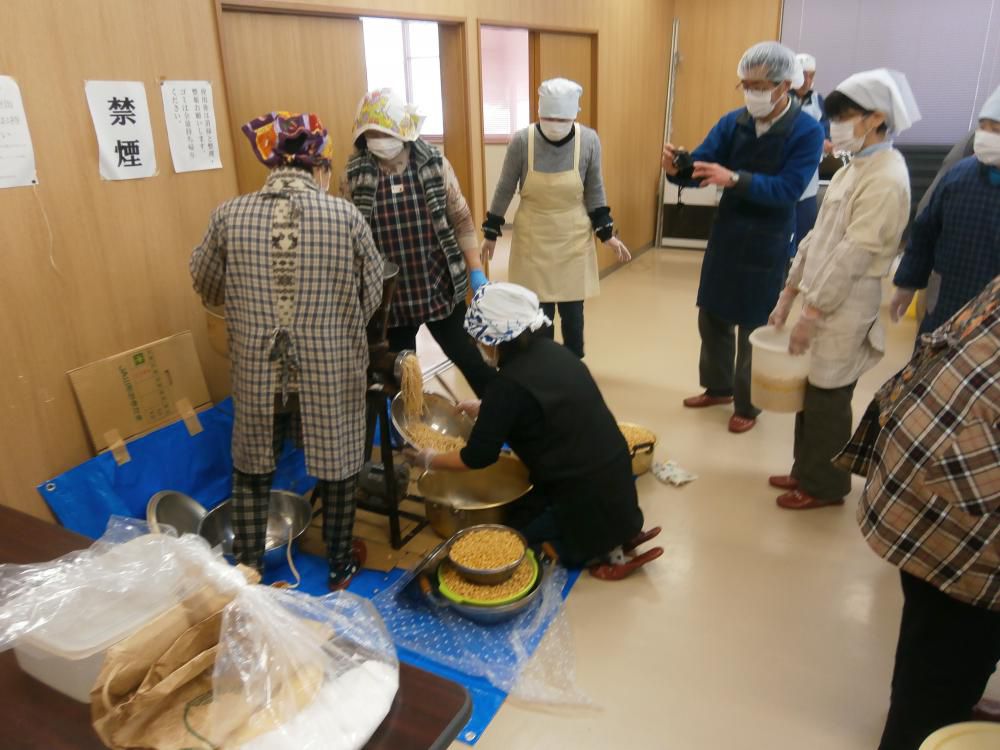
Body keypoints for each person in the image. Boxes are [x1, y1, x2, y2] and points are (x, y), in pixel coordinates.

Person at [190, 111, 384, 589]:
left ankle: (247, 568)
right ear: (319, 167)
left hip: (257, 368)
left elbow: (206, 284)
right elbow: (373, 290)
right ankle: (339, 564)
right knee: (339, 463)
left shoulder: (228, 215)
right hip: (330, 364)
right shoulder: (346, 216)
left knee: (253, 465)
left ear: (272, 164)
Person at [834, 275, 1000, 750]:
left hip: (941, 471)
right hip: (962, 509)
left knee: (937, 640)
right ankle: (925, 723)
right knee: (942, 659)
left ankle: (932, 708)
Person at [405, 283, 662, 580]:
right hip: (615, 476)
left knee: (518, 534)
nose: (478, 345)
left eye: (479, 338)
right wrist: (485, 406)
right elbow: (536, 401)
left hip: (580, 492)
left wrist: (428, 459)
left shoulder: (507, 385)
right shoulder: (554, 352)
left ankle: (601, 552)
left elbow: (476, 457)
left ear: (493, 338)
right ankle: (621, 530)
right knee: (527, 508)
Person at [768, 69, 919, 510]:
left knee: (828, 395)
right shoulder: (858, 168)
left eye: (844, 117)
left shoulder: (888, 177)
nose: (835, 127)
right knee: (809, 388)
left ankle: (826, 486)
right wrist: (790, 294)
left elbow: (855, 253)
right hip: (824, 294)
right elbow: (819, 237)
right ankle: (805, 470)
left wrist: (813, 313)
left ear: (875, 119)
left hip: (848, 303)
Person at [662, 41, 824, 434]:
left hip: (768, 237)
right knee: (713, 315)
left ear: (785, 86)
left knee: (754, 322)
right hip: (728, 232)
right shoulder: (733, 122)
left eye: (759, 84)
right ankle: (717, 387)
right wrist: (678, 167)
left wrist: (734, 178)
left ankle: (747, 405)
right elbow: (704, 164)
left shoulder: (806, 131)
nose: (752, 92)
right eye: (745, 84)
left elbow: (789, 188)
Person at [341, 88, 495, 396]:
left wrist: (475, 270)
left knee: (469, 357)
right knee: (402, 371)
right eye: (370, 133)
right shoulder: (354, 174)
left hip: (438, 284)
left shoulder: (434, 163)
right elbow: (349, 236)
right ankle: (408, 429)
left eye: (383, 131)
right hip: (390, 297)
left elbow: (461, 219)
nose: (378, 138)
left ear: (402, 129)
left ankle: (502, 416)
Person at [481, 78, 631, 359]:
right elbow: (504, 187)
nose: (555, 124)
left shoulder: (588, 140)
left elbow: (595, 189)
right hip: (532, 239)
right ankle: (542, 366)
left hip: (572, 237)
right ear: (539, 113)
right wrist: (491, 231)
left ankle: (573, 366)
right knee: (539, 314)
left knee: (573, 313)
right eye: (548, 118)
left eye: (562, 119)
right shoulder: (522, 141)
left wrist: (607, 234)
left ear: (574, 114)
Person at [889, 84, 1000, 336]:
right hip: (946, 299)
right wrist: (907, 283)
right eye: (983, 127)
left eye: (997, 130)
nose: (986, 136)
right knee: (928, 365)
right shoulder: (959, 175)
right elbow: (925, 232)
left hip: (992, 321)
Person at [791, 52, 832, 260]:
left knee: (805, 235)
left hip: (809, 179)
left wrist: (826, 140)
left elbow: (826, 129)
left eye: (811, 76)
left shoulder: (818, 100)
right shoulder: (781, 99)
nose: (807, 81)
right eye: (803, 75)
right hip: (786, 172)